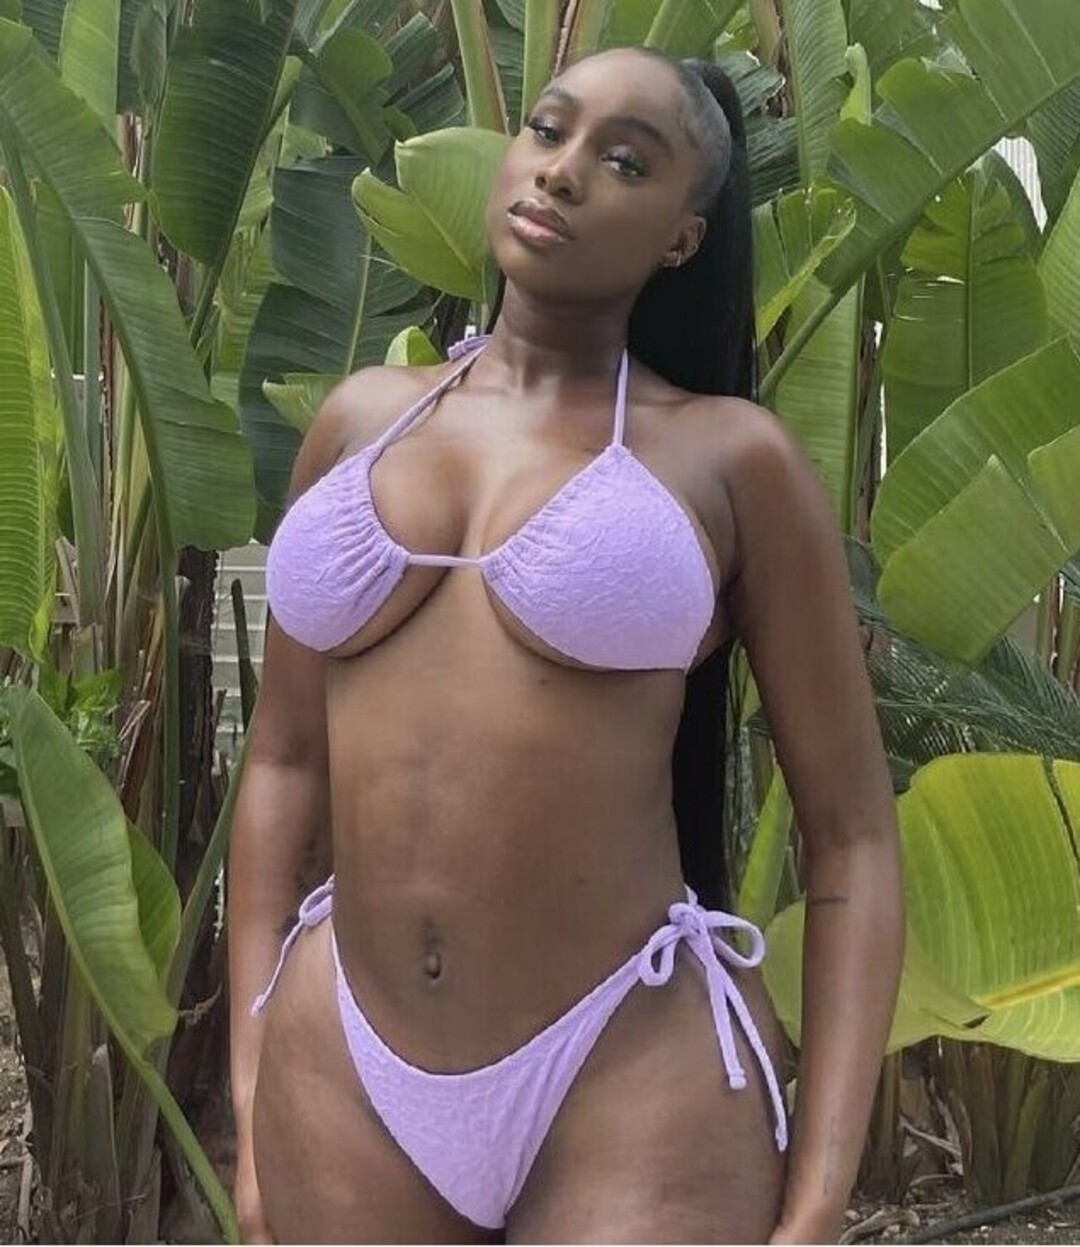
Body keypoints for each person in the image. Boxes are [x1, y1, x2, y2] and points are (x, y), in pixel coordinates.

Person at [227, 45, 904, 1244]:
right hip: (340, 1056)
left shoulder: (730, 458)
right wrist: (249, 1069)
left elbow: (850, 832)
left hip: (626, 1065)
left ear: (684, 237)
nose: (563, 171)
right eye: (549, 130)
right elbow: (281, 763)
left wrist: (821, 1189)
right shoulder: (357, 422)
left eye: (626, 161)